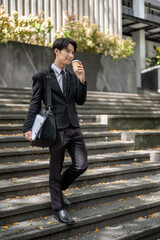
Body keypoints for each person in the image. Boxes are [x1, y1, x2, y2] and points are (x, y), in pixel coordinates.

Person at [23, 38, 88, 225]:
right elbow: (35, 103)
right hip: (56, 129)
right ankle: (58, 209)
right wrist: (28, 127)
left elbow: (80, 101)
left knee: (81, 165)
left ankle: (57, 190)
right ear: (57, 51)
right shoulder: (42, 76)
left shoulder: (71, 76)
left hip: (74, 128)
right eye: (68, 51)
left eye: (73, 52)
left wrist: (82, 80)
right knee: (55, 169)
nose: (71, 55)